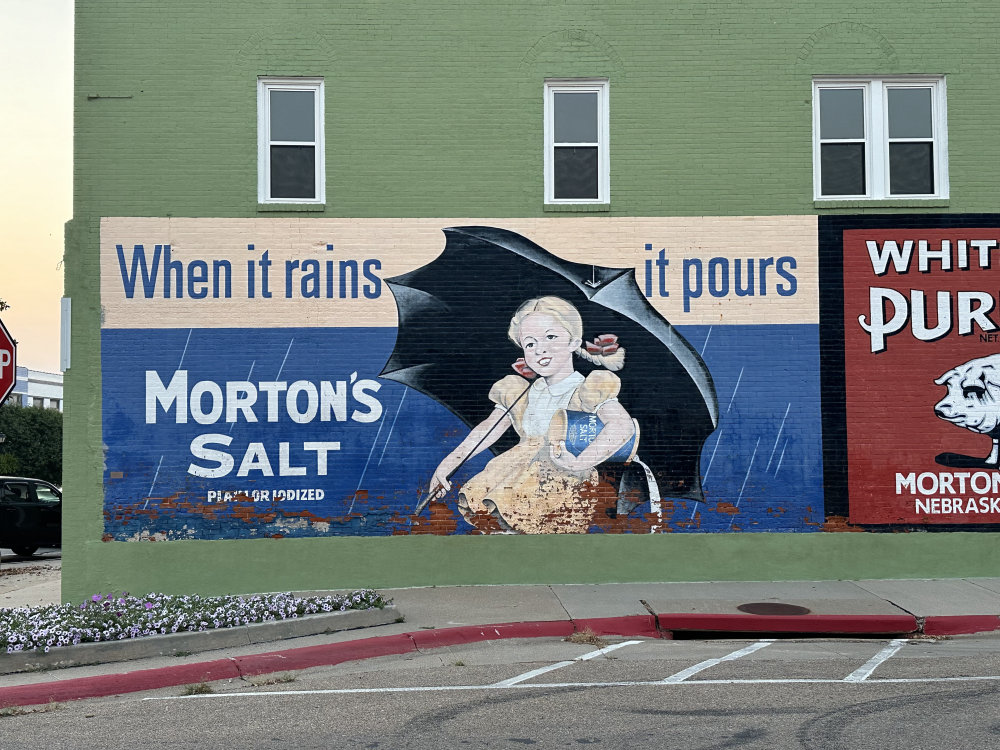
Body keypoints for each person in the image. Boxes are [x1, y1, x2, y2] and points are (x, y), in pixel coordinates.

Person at [426, 296, 636, 533]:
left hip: (561, 485)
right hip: (514, 477)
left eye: (551, 337)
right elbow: (486, 430)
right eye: (530, 343)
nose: (540, 349)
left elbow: (622, 426)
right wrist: (448, 464)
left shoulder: (586, 389)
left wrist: (581, 462)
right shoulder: (521, 393)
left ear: (573, 342)